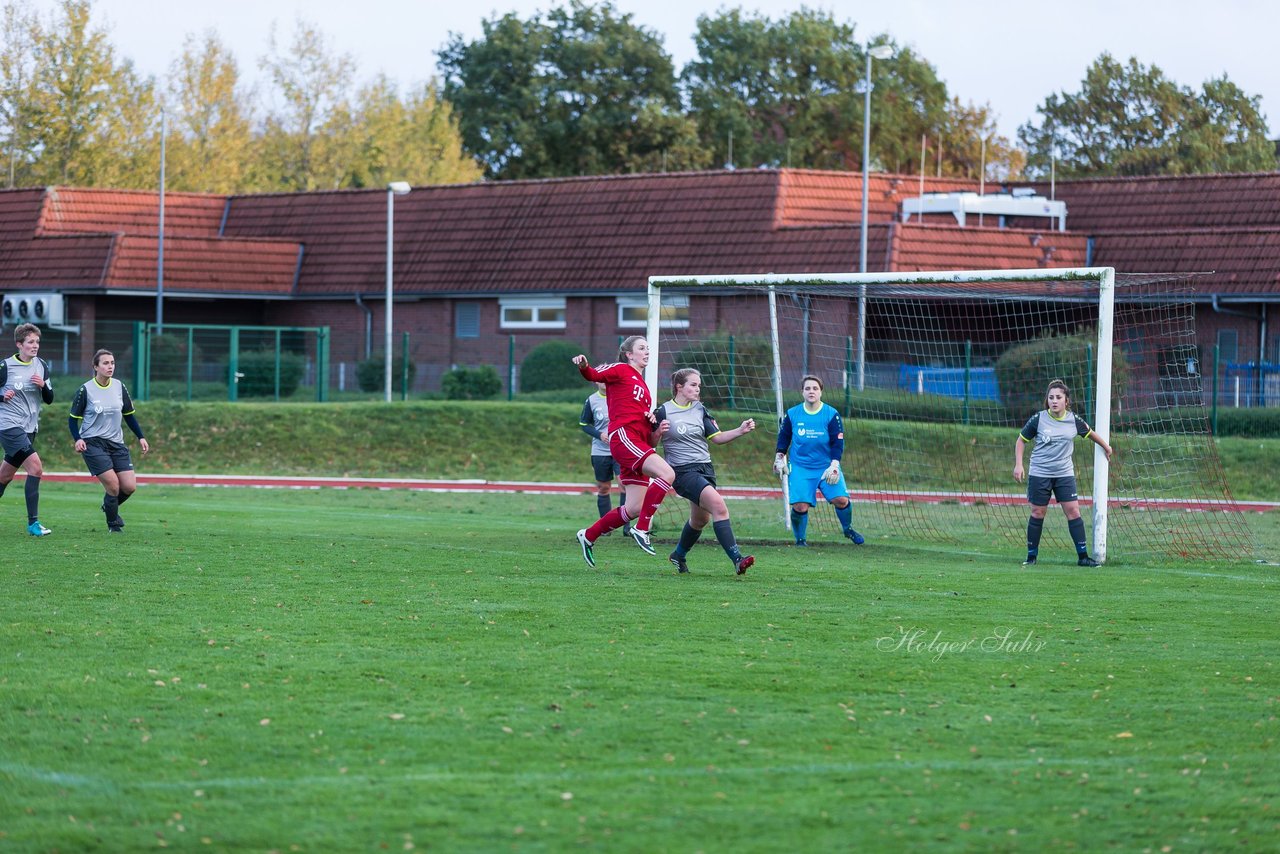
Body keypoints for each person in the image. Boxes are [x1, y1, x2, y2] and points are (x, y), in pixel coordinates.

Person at [571, 336, 676, 566]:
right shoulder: (620, 369)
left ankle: (588, 536)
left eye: (647, 348)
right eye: (641, 348)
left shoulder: (645, 389)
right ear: (629, 354)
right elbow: (594, 375)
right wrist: (583, 366)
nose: (646, 351)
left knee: (634, 507)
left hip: (638, 441)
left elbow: (647, 433)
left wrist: (651, 424)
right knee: (668, 474)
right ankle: (642, 529)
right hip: (624, 437)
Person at [654, 368, 756, 575]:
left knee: (701, 520)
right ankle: (737, 558)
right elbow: (649, 443)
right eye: (693, 384)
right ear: (679, 387)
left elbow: (716, 438)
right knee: (719, 505)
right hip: (682, 472)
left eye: (699, 385)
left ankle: (678, 555)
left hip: (705, 468)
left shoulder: (700, 409)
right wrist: (657, 432)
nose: (697, 388)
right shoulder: (663, 411)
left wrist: (740, 430)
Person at [1013, 378, 1113, 567]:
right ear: (1047, 400)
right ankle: (1031, 557)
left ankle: (1083, 557)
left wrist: (1106, 447)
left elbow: (1090, 433)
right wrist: (1019, 465)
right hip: (1039, 473)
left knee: (1074, 511)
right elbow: (1020, 441)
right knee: (1038, 512)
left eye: (1058, 397)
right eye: (1051, 397)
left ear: (1066, 400)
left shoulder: (1073, 421)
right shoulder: (1039, 419)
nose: (1054, 400)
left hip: (1064, 474)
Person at [774, 374, 863, 547]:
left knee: (841, 500)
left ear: (821, 391)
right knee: (800, 506)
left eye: (815, 388)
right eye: (807, 388)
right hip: (800, 467)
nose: (811, 391)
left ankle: (848, 529)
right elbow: (783, 439)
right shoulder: (792, 414)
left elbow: (838, 442)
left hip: (826, 467)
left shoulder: (831, 414)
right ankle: (800, 540)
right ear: (802, 392)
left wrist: (835, 465)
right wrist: (779, 458)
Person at [68, 349, 150, 533]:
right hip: (93, 442)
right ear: (95, 367)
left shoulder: (120, 386)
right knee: (113, 486)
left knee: (129, 487)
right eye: (105, 363)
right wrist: (77, 439)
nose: (110, 366)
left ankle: (109, 505)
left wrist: (141, 437)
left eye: (112, 362)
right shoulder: (85, 390)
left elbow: (129, 416)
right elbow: (73, 419)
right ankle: (113, 524)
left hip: (116, 443)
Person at [0, 322, 55, 536]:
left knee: (4, 476)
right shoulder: (5, 367)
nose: (35, 346)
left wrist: (44, 385)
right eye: (30, 342)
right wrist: (2, 396)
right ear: (19, 344)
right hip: (9, 426)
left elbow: (50, 399)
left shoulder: (41, 365)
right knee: (36, 468)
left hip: (30, 428)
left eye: (37, 342)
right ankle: (34, 524)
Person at [579, 380, 631, 537]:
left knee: (624, 484)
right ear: (596, 381)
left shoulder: (621, 397)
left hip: (620, 449)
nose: (605, 382)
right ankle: (605, 527)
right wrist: (600, 435)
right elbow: (584, 424)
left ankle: (626, 527)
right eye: (601, 379)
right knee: (604, 488)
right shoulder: (592, 400)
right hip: (600, 452)